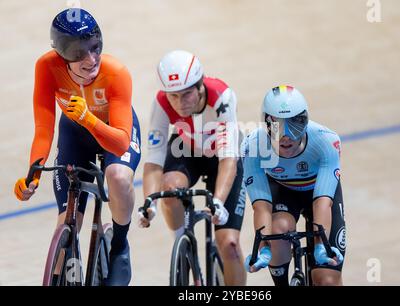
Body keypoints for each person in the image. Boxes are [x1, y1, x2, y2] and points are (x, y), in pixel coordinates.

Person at [13, 8, 141, 286]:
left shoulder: (116, 73)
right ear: (61, 54)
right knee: (67, 222)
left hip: (112, 129)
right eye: (79, 52)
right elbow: (44, 128)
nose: (90, 59)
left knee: (118, 177)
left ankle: (119, 246)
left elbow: (120, 142)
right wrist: (32, 175)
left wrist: (89, 118)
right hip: (75, 132)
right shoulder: (47, 67)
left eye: (95, 48)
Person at [139, 50, 247, 285]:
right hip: (186, 148)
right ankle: (183, 247)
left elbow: (229, 158)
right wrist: (150, 202)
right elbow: (154, 160)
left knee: (229, 244)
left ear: (200, 86)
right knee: (169, 189)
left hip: (222, 154)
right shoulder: (160, 102)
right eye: (173, 96)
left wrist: (217, 201)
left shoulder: (221, 97)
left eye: (186, 94)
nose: (180, 103)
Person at [242, 85, 346, 286]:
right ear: (266, 124)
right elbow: (261, 205)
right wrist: (263, 245)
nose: (286, 135)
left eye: (294, 125)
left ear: (305, 122)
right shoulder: (253, 146)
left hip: (319, 194)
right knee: (279, 229)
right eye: (277, 126)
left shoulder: (326, 141)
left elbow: (323, 202)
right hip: (284, 192)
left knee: (326, 280)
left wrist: (320, 245)